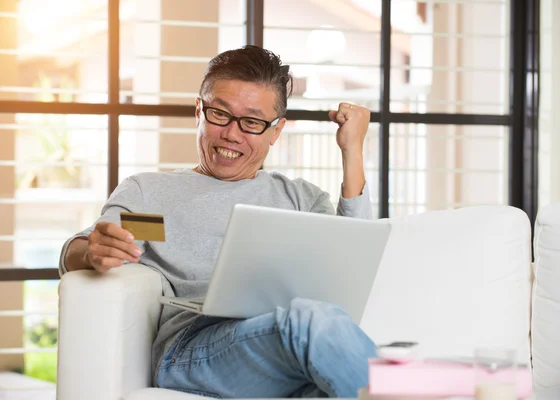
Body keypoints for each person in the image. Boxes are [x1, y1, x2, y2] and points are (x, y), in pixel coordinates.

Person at [59, 45, 377, 398]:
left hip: (284, 351)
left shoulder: (301, 198)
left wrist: (353, 151)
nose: (231, 134)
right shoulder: (152, 196)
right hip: (194, 350)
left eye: (252, 122)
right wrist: (93, 251)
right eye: (219, 115)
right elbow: (84, 247)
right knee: (313, 321)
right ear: (199, 111)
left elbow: (354, 261)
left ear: (275, 131)